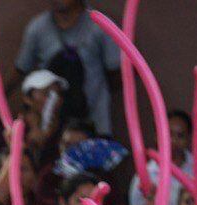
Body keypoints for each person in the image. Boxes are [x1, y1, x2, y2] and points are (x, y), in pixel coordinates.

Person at [13, 0, 121, 134]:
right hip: (52, 129)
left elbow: (116, 72)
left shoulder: (100, 24)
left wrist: (91, 95)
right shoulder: (38, 27)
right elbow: (21, 68)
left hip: (94, 123)